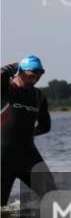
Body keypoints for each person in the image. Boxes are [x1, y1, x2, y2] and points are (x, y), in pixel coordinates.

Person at [2, 56, 56, 207]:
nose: (36, 78)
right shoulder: (5, 89)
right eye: (33, 74)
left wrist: (27, 134)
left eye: (40, 74)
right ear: (21, 72)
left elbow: (45, 126)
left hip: (28, 155)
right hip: (3, 157)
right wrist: (7, 69)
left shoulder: (38, 96)